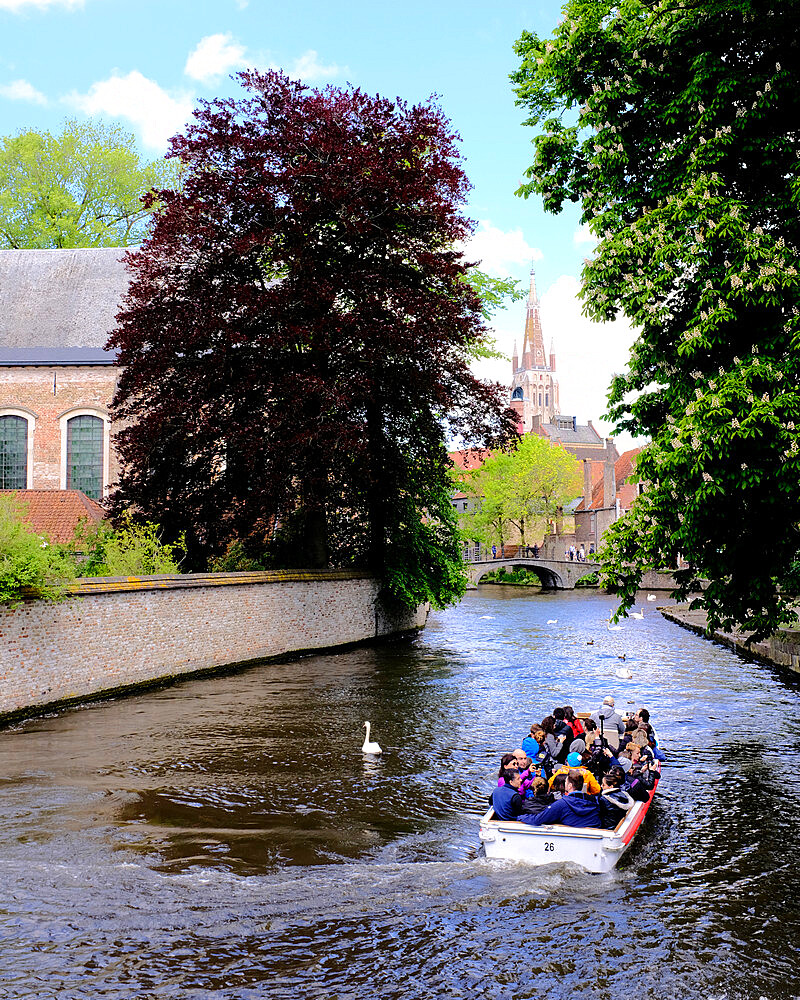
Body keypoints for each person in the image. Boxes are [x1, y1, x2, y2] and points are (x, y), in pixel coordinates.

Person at [520, 770, 601, 828]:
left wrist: (520, 817)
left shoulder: (561, 804)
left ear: (569, 786)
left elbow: (538, 820)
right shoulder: (595, 801)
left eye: (565, 782)